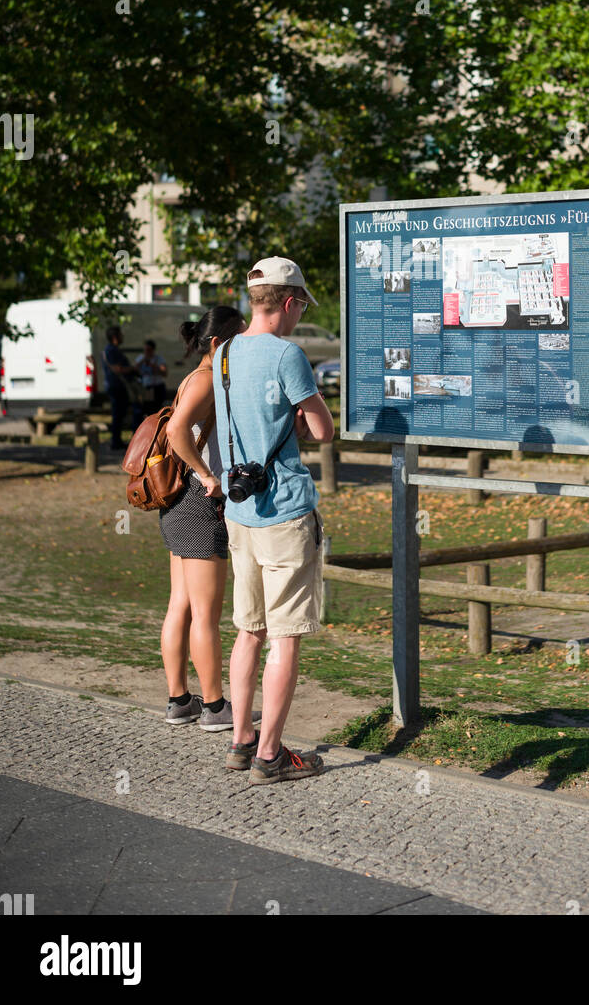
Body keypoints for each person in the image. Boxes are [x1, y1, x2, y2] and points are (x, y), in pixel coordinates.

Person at [214, 256, 334, 785]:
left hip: (239, 511)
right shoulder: (289, 355)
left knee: (248, 631)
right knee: (285, 636)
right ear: (288, 303)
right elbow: (322, 430)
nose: (297, 316)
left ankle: (240, 740)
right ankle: (271, 755)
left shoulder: (223, 353)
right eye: (299, 307)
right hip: (283, 511)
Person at [159, 305, 246, 731]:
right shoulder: (208, 379)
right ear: (217, 343)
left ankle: (180, 700)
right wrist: (207, 474)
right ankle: (214, 707)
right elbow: (177, 432)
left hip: (177, 503)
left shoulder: (195, 377)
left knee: (181, 606)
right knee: (205, 615)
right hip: (197, 500)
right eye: (238, 339)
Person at [102, 326, 137, 451]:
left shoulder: (112, 350)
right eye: (121, 335)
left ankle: (117, 440)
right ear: (115, 337)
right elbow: (118, 369)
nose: (123, 337)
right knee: (118, 414)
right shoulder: (111, 350)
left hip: (116, 386)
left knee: (119, 414)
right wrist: (133, 368)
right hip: (116, 386)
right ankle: (115, 441)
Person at [134, 339, 168, 413]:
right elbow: (135, 370)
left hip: (157, 387)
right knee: (146, 408)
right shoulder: (141, 358)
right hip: (146, 387)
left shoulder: (159, 359)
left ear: (153, 350)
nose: (147, 352)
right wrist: (142, 361)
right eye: (145, 350)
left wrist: (152, 365)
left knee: (157, 408)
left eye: (149, 350)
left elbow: (164, 373)